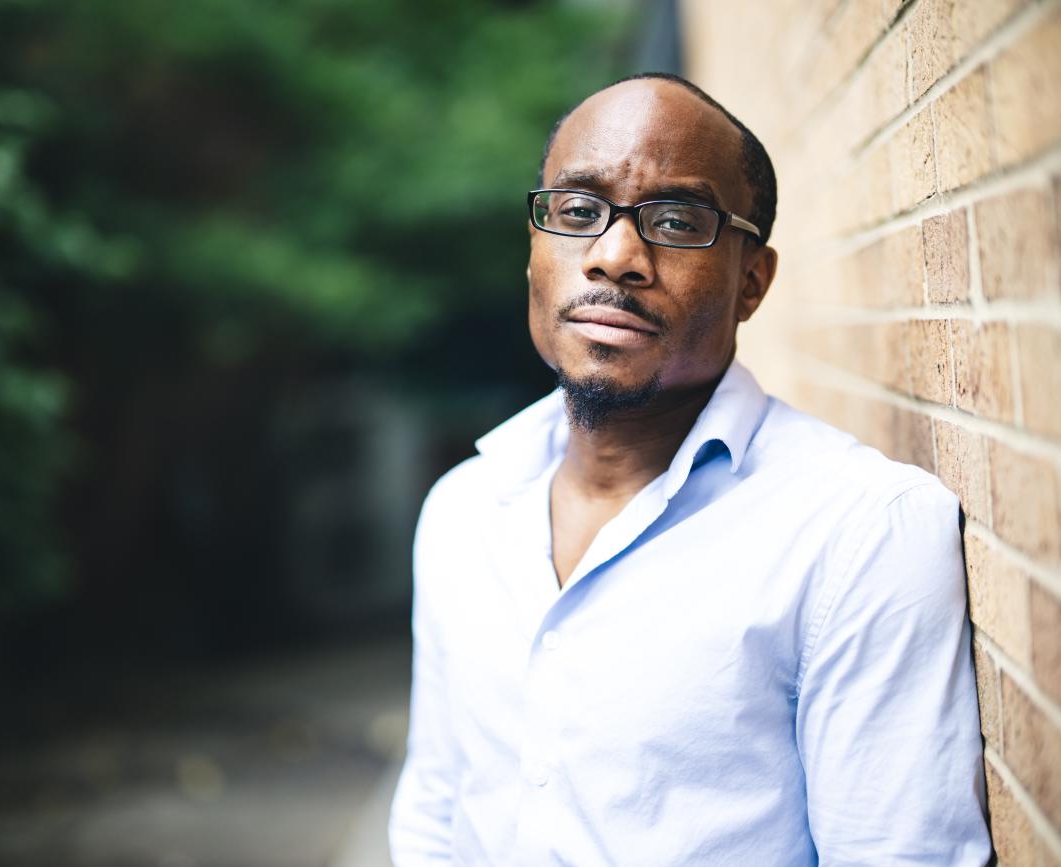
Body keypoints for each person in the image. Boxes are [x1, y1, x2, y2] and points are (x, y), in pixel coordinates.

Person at [389, 72, 990, 865]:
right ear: (534, 245)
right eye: (577, 211)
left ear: (752, 281)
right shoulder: (463, 511)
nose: (614, 256)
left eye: (676, 221)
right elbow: (436, 807)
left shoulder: (858, 532)